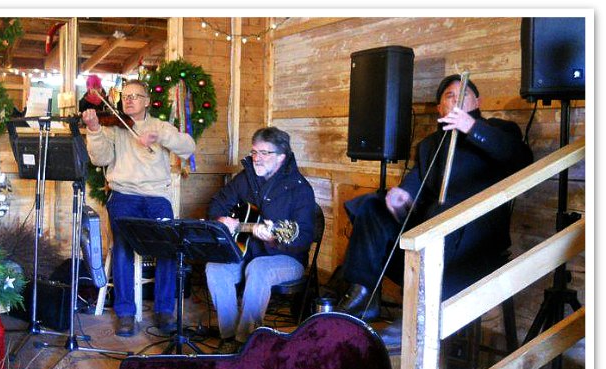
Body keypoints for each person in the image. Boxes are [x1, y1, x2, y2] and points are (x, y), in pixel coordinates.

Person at [337, 74, 533, 321]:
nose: (456, 101)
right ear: (440, 109)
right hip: (428, 238)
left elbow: (520, 159)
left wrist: (471, 127)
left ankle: (419, 319)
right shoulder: (430, 145)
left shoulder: (499, 130)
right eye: (449, 97)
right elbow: (416, 180)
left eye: (463, 95)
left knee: (441, 217)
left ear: (478, 102)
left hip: (474, 243)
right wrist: (402, 194)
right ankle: (363, 291)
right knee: (372, 206)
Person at [83, 79, 196, 337]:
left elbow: (188, 147)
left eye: (136, 96)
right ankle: (125, 313)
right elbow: (99, 158)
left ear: (147, 101)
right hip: (124, 195)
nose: (130, 100)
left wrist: (161, 136)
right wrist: (94, 129)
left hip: (157, 196)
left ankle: (165, 309)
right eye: (126, 96)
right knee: (123, 245)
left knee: (169, 244)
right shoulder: (114, 127)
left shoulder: (159, 126)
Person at [205, 127, 316, 354]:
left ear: (281, 157)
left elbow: (303, 237)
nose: (257, 158)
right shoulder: (245, 178)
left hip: (285, 258)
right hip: (246, 250)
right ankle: (228, 336)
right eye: (255, 152)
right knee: (215, 267)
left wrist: (274, 238)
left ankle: (244, 342)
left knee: (259, 268)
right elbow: (217, 204)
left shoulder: (300, 189)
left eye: (265, 153)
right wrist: (222, 219)